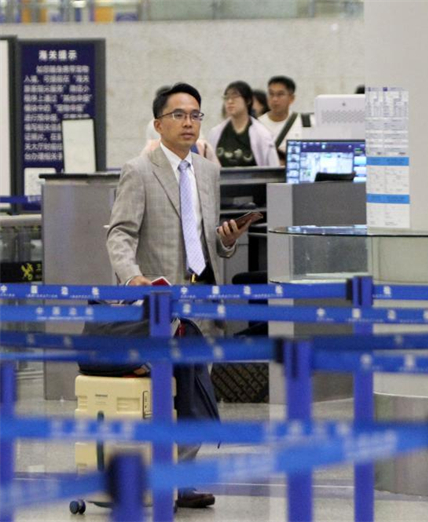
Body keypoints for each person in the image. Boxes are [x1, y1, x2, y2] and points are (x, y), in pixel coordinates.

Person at [107, 82, 251, 509]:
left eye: (195, 115)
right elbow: (120, 234)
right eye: (179, 115)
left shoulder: (209, 171)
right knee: (165, 392)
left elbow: (209, 242)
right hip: (160, 305)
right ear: (158, 123)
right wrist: (133, 277)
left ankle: (183, 480)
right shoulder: (139, 169)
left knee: (197, 390)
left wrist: (227, 241)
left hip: (201, 299)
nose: (188, 122)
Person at [207, 81, 279, 167]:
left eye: (235, 97)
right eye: (226, 97)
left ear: (248, 101)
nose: (230, 101)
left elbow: (273, 167)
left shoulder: (262, 135)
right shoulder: (216, 132)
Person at [258, 75, 313, 164]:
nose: (275, 99)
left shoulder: (305, 123)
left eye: (280, 94)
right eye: (271, 94)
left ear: (291, 98)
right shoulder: (257, 124)